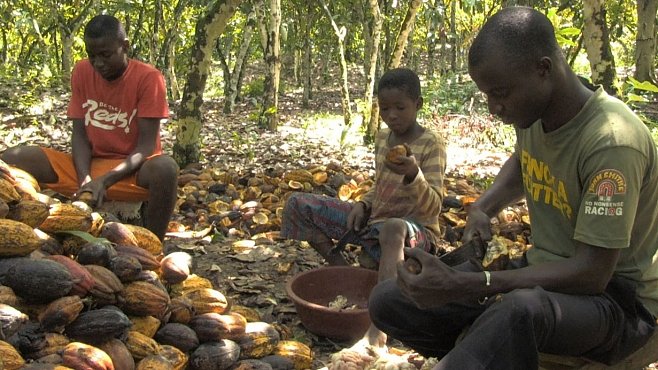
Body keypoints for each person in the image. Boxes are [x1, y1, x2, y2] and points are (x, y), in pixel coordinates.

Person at [368, 6, 658, 370]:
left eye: (500, 93)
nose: (493, 107)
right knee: (389, 300)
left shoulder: (612, 142)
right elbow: (523, 163)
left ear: (544, 69)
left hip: (618, 302)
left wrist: (476, 284)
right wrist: (483, 207)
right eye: (487, 94)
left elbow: (592, 273)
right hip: (544, 277)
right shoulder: (535, 115)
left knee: (519, 309)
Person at [282, 68, 446, 348]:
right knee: (298, 204)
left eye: (400, 107)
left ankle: (379, 323)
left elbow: (434, 206)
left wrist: (413, 175)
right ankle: (347, 276)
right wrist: (363, 203)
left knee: (394, 227)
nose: (391, 115)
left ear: (418, 105)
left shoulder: (431, 144)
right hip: (374, 225)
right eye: (384, 109)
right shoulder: (383, 138)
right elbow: (380, 184)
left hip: (415, 235)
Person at [0, 14, 178, 241]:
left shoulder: (149, 78)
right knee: (16, 157)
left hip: (132, 171)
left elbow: (145, 147)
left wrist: (104, 181)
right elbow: (80, 135)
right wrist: (85, 180)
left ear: (125, 47)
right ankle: (17, 230)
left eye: (105, 55)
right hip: (90, 165)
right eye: (92, 55)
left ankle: (154, 244)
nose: (98, 63)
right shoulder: (83, 71)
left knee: (166, 168)